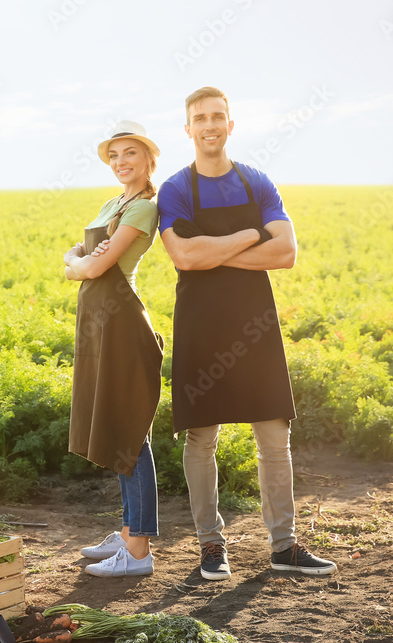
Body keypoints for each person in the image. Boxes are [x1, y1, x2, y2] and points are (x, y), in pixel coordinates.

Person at [156, 87, 336, 580]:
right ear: (187, 129)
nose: (210, 125)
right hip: (200, 325)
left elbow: (287, 254)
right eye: (200, 118)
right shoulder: (174, 189)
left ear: (230, 126)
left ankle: (284, 546)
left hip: (255, 324)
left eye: (218, 117)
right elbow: (185, 258)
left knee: (275, 437)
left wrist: (213, 253)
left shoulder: (257, 182)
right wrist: (250, 235)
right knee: (201, 439)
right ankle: (211, 548)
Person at [64, 120, 164, 577]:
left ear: (148, 160)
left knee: (129, 432)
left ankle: (139, 551)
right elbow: (76, 254)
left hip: (122, 324)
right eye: (114, 156)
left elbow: (95, 264)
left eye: (130, 154)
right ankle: (126, 532)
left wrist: (78, 265)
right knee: (114, 425)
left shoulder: (144, 208)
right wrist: (79, 262)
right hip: (99, 325)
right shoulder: (114, 202)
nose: (121, 163)